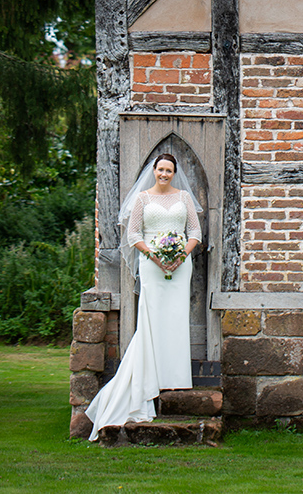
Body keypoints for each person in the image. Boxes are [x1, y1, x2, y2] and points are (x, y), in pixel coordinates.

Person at [85, 153, 201, 441]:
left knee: (175, 319)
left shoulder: (185, 198)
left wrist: (179, 255)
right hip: (151, 265)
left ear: (174, 173)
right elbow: (133, 234)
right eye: (160, 169)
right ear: (154, 170)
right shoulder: (143, 199)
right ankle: (150, 375)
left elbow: (195, 231)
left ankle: (175, 376)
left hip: (180, 266)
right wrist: (155, 255)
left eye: (169, 170)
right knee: (152, 319)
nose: (164, 174)